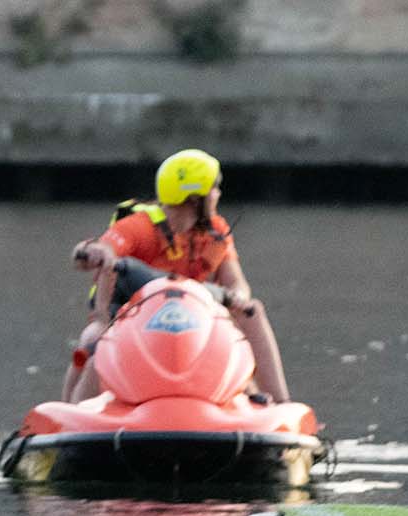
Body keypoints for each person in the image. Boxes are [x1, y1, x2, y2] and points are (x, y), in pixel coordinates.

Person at [63, 148, 292, 406]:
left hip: (197, 320)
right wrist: (89, 252)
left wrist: (237, 298)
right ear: (195, 199)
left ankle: (282, 406)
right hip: (131, 318)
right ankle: (72, 413)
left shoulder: (216, 230)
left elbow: (236, 283)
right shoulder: (140, 227)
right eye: (214, 188)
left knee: (253, 310)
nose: (218, 194)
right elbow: (101, 250)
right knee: (92, 338)